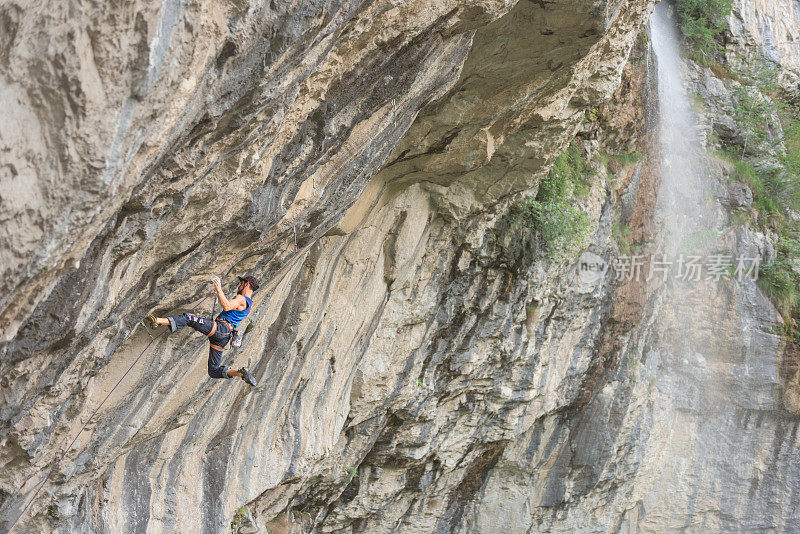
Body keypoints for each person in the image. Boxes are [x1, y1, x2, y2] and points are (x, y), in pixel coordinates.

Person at [144, 275, 259, 386]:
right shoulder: (249, 305)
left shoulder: (242, 299)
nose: (239, 286)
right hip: (224, 337)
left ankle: (157, 320)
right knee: (213, 371)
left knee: (189, 318)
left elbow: (227, 306)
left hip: (220, 329)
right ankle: (240, 373)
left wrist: (219, 289)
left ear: (247, 284)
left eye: (241, 284)